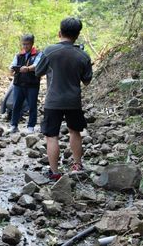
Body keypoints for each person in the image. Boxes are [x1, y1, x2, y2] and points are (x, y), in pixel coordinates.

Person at [35, 17, 93, 181]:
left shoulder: (49, 51)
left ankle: (54, 172)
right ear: (78, 35)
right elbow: (87, 81)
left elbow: (38, 72)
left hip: (53, 101)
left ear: (59, 33)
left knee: (51, 135)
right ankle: (77, 165)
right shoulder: (82, 55)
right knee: (75, 131)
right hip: (73, 101)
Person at [9, 34, 42, 134]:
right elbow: (12, 65)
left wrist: (28, 69)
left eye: (27, 44)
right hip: (18, 84)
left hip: (32, 84)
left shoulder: (38, 54)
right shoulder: (19, 55)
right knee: (16, 105)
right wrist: (11, 69)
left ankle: (31, 126)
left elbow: (37, 65)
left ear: (32, 44)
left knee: (32, 105)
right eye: (23, 44)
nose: (25, 46)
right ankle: (13, 125)